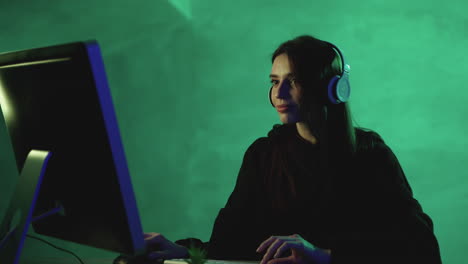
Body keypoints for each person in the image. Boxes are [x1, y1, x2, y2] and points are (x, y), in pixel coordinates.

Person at [142, 35, 442, 264]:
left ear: (331, 89)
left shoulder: (371, 156)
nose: (279, 94)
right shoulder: (263, 155)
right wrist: (184, 252)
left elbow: (420, 247)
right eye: (274, 82)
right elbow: (231, 243)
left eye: (293, 81)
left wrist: (323, 255)